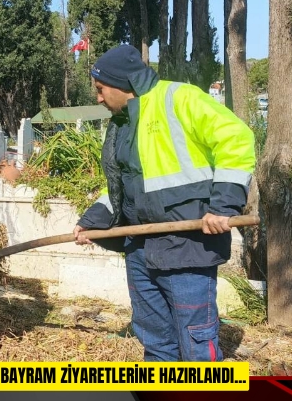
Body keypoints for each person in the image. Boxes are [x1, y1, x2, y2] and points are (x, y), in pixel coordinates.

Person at [72, 45, 255, 362]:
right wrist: (93, 221)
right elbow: (120, 187)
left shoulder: (180, 98)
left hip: (186, 246)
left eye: (101, 90)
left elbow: (236, 140)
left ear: (121, 84)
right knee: (155, 341)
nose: (99, 98)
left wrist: (223, 206)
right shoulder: (122, 124)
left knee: (196, 340)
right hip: (139, 249)